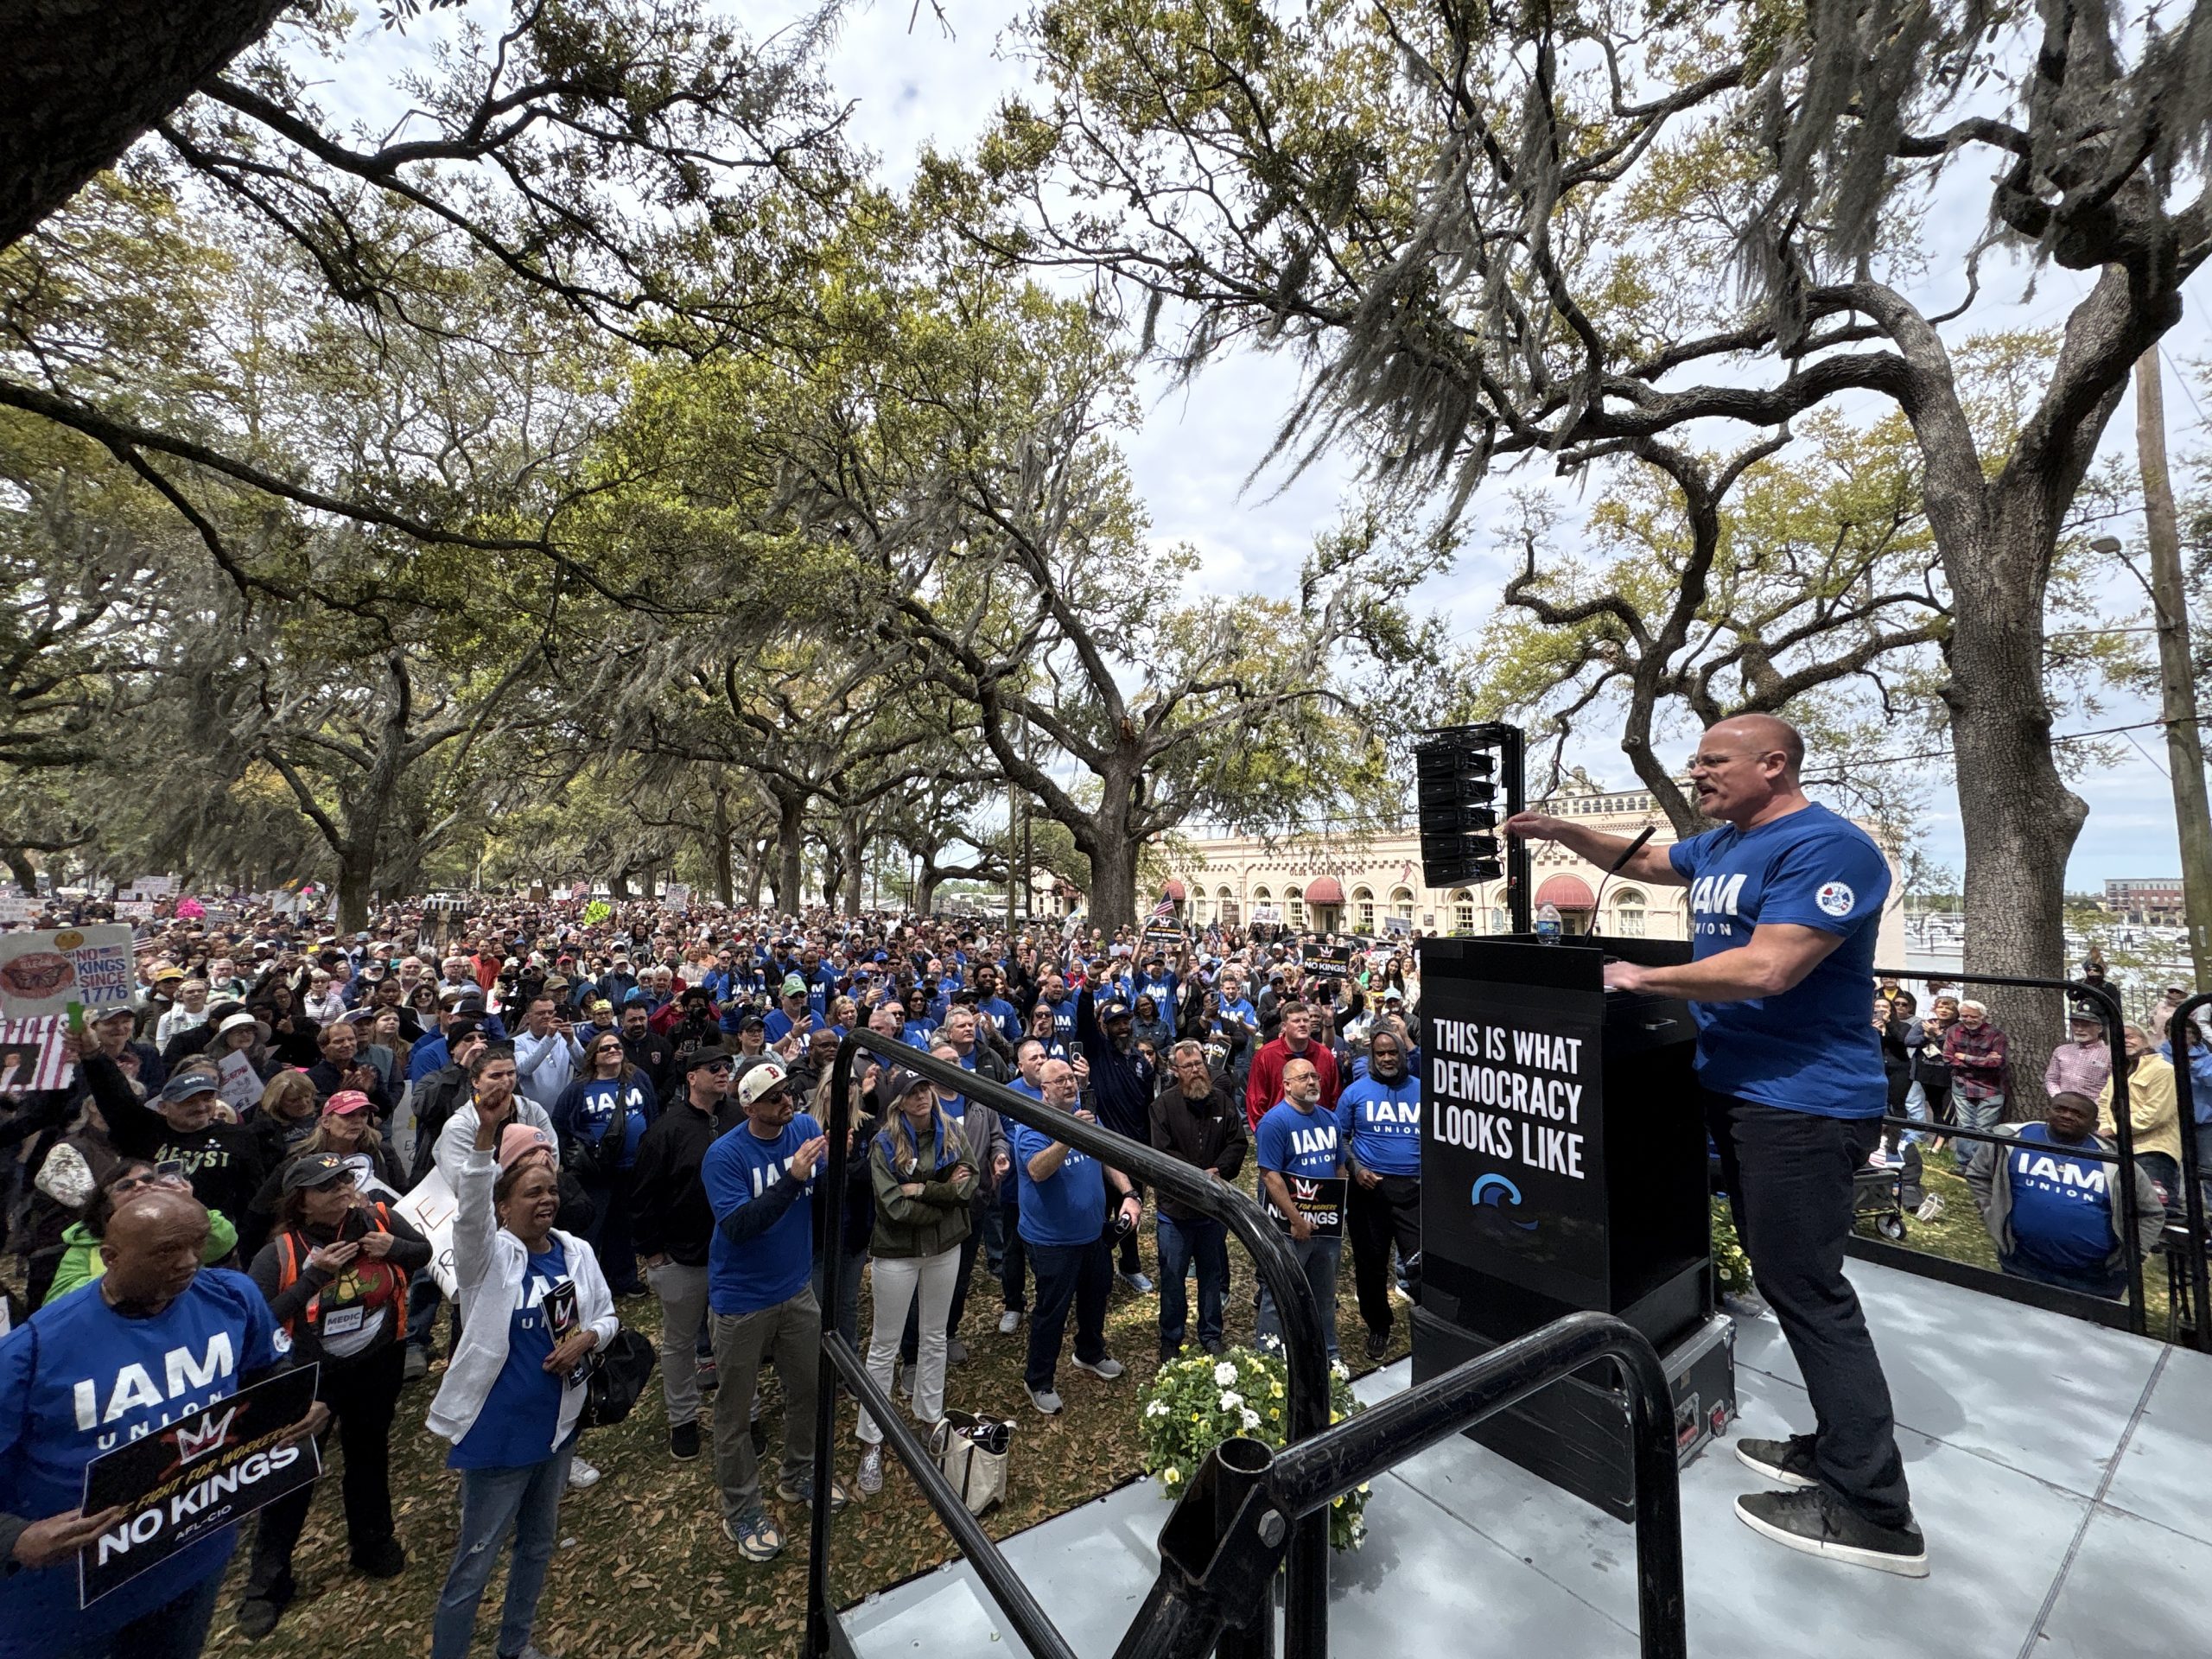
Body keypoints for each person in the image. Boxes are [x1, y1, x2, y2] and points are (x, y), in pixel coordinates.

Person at [1509, 713, 1926, 1575]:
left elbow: (1771, 968)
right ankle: (1836, 1444)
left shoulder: (1829, 849)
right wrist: (1559, 832)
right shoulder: (1723, 845)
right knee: (1784, 1277)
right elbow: (1648, 861)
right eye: (1693, 761)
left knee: (1807, 1288)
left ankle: (1874, 1505)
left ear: (1772, 765)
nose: (1694, 773)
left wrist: (1642, 976)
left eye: (1712, 760)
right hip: (1740, 1094)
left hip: (1803, 1106)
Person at [0, 1185, 322, 1659]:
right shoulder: (34, 1350)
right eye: (167, 1251)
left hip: (191, 1557)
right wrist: (15, 1538)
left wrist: (294, 1406)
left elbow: (267, 1367)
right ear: (111, 1256)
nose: (189, 1261)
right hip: (65, 1596)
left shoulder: (230, 1296)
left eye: (196, 1243)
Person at [427, 1091, 616, 1659]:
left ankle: (516, 1647)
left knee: (536, 1549)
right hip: (498, 1436)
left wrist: (587, 1337)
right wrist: (485, 1137)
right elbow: (469, 1209)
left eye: (552, 1191)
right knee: (474, 1564)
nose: (547, 1201)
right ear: (502, 1208)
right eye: (532, 1193)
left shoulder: (576, 1253)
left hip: (556, 1431)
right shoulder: (487, 1257)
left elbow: (606, 1316)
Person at [237, 1154, 428, 1637]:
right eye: (327, 1185)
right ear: (301, 1203)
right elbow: (256, 1326)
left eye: (344, 1178)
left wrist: (394, 1247)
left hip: (376, 1362)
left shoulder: (378, 1215)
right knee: (295, 1474)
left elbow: (423, 1253)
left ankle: (373, 1543)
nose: (343, 1189)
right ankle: (268, 1584)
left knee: (369, 1454)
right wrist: (313, 1278)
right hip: (307, 1374)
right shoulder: (278, 1253)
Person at [702, 1057, 847, 1563]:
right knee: (736, 1411)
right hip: (741, 1302)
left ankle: (799, 1474)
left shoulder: (804, 1128)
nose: (787, 1103)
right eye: (774, 1098)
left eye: (788, 1093)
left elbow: (824, 1189)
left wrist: (840, 1160)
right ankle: (741, 1507)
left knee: (808, 1387)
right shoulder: (725, 1156)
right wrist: (792, 1178)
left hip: (796, 1290)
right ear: (748, 1106)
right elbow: (740, 1226)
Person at [855, 1068, 978, 1496]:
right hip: (897, 1253)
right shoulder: (885, 1143)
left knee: (934, 1335)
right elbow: (891, 1206)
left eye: (925, 1088)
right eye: (912, 1092)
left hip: (945, 1249)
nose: (922, 1096)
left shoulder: (952, 1131)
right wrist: (944, 1197)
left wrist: (923, 1191)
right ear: (898, 1100)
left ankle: (931, 1417)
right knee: (884, 1345)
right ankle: (871, 1438)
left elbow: (969, 1186)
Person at [1013, 1057, 1139, 1415]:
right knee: (1052, 1311)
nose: (1069, 1085)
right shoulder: (1032, 1123)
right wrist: (1069, 1135)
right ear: (1044, 1089)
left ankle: (1090, 1352)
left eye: (1072, 1078)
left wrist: (1128, 1193)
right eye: (1060, 1081)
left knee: (1096, 1295)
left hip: (1092, 1234)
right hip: (1051, 1241)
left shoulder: (1087, 1116)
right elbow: (1037, 1170)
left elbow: (1106, 1157)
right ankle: (1037, 1379)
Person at [631, 1047, 740, 1463]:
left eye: (726, 1067)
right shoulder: (666, 1130)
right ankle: (683, 1419)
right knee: (679, 1345)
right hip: (683, 1258)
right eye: (714, 1068)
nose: (723, 1073)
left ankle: (741, 1415)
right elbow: (642, 1197)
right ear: (691, 1077)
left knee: (737, 1343)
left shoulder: (737, 1118)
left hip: (734, 1255)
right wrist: (653, 1254)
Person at [1963, 1090, 2164, 1298]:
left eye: (2078, 1114)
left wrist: (2134, 1254)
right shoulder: (2012, 1139)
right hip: (2022, 1264)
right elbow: (1978, 1173)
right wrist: (1991, 1213)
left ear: (2094, 1125)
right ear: (2047, 1111)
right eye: (2060, 1109)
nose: (2067, 1116)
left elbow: (2151, 1212)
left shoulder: (2115, 1160)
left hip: (2096, 1278)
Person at [1147, 1039, 1245, 1361]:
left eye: (1199, 1064)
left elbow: (1237, 1142)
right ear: (1175, 1072)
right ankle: (1171, 1339)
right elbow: (1162, 1153)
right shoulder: (1163, 1106)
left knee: (1211, 1274)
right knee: (1173, 1277)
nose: (1195, 1071)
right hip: (1175, 1212)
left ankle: (1211, 1334)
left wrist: (1221, 1170)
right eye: (1187, 1067)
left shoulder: (1222, 1101)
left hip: (1214, 1210)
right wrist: (1198, 1176)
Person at [550, 1027, 658, 1295]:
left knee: (623, 1226)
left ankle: (622, 1279)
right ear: (593, 1056)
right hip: (594, 1173)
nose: (613, 1051)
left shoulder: (638, 1079)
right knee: (590, 1227)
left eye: (617, 1047)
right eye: (605, 1048)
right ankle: (584, 1284)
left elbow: (652, 1113)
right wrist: (573, 1156)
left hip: (631, 1169)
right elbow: (560, 1125)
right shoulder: (579, 1088)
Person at [44, 1161, 240, 1306]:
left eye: (148, 1179)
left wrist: (187, 1206)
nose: (141, 1186)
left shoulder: (183, 1232)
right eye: (126, 1186)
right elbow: (58, 1302)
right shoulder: (86, 1246)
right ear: (106, 1203)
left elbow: (223, 1241)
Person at [1337, 1027, 1421, 1359]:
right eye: (1380, 1053)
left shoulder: (1422, 1090)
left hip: (1415, 1191)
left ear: (1403, 1054)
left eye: (1393, 1052)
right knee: (1370, 1264)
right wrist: (1356, 1169)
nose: (1387, 1058)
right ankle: (1378, 1327)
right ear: (1371, 1057)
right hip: (1369, 1191)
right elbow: (1339, 1138)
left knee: (1420, 1263)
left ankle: (1427, 1323)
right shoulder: (1354, 1093)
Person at [1254, 1058, 1345, 1360]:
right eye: (1304, 1077)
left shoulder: (1331, 1119)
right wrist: (1297, 1220)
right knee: (1280, 1293)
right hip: (1290, 1228)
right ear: (1287, 1085)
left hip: (1327, 1225)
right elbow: (1270, 1176)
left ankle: (1327, 1355)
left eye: (1315, 1076)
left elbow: (1339, 1166)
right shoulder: (1274, 1122)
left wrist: (1339, 1208)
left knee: (1324, 1295)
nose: (1312, 1082)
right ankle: (1270, 1360)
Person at [2097, 1025, 2183, 1222]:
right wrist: (2103, 1128)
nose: (2125, 1041)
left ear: (2145, 1040)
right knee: (2124, 1207)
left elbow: (2156, 1114)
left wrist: (2114, 1129)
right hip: (2118, 1148)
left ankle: (2170, 1251)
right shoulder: (2120, 1071)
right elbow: (2104, 1102)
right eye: (2119, 1038)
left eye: (2131, 1036)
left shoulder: (2163, 1070)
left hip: (2152, 1150)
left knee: (2156, 1209)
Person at [1243, 999, 1340, 1131]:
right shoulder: (1265, 1056)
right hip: (1280, 1133)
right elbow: (1256, 1103)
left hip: (1318, 1133)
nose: (1302, 1025)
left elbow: (1334, 1097)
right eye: (1296, 1021)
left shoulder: (1325, 1055)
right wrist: (1266, 1134)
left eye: (1306, 1021)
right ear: (1284, 1026)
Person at [1942, 1001, 2009, 1134]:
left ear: (1982, 1016)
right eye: (1965, 1016)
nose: (1968, 1020)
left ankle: (1980, 1156)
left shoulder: (1996, 1035)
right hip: (1962, 1085)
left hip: (1990, 1087)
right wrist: (1983, 1061)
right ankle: (1965, 1156)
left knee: (1984, 1130)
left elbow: (1996, 1064)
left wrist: (1966, 1058)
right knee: (1964, 1127)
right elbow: (1948, 1058)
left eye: (1974, 1017)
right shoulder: (1953, 1030)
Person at [2046, 1010, 2113, 1102]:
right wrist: (2059, 1098)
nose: (2079, 1029)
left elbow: (2113, 1087)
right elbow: (2051, 1079)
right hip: (2064, 1106)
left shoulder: (2110, 1054)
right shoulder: (2061, 1051)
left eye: (2085, 1025)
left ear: (2100, 1029)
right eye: (2075, 1025)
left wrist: (2096, 1106)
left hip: (2095, 1110)